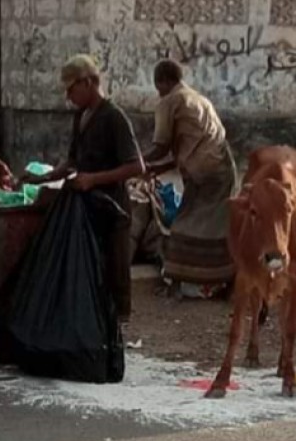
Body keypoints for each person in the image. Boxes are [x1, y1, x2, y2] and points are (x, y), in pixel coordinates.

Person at [46, 55, 144, 321]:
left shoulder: (114, 117)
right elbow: (74, 158)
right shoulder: (81, 116)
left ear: (88, 82)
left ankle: (117, 333)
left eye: (71, 89)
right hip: (89, 208)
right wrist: (53, 173)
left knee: (115, 275)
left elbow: (136, 166)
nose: (69, 97)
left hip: (113, 208)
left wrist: (93, 179)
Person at [144, 59, 237, 288]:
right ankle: (220, 279)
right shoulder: (198, 99)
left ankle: (185, 280)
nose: (158, 92)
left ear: (163, 82)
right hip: (224, 168)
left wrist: (136, 162)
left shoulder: (169, 102)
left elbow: (161, 147)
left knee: (184, 226)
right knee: (217, 226)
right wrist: (152, 168)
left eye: (158, 87)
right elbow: (185, 152)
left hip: (204, 175)